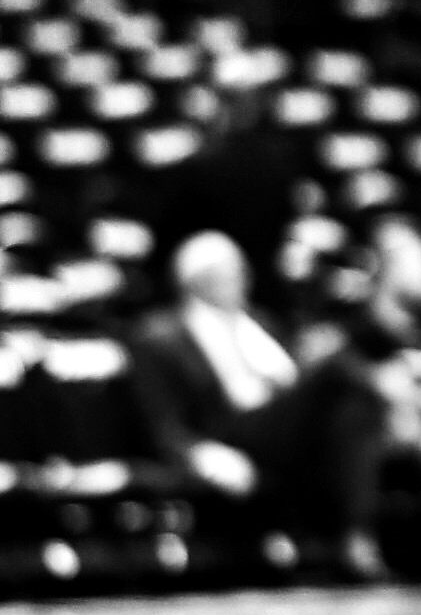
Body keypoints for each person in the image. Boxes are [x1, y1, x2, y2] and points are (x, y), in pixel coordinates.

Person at [128, 230, 390, 579]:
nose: (242, 280)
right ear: (197, 281)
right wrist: (198, 453)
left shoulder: (262, 323)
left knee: (352, 415)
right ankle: (392, 405)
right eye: (230, 272)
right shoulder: (161, 335)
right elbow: (161, 419)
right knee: (336, 370)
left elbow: (290, 380)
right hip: (230, 430)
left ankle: (355, 534)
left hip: (280, 426)